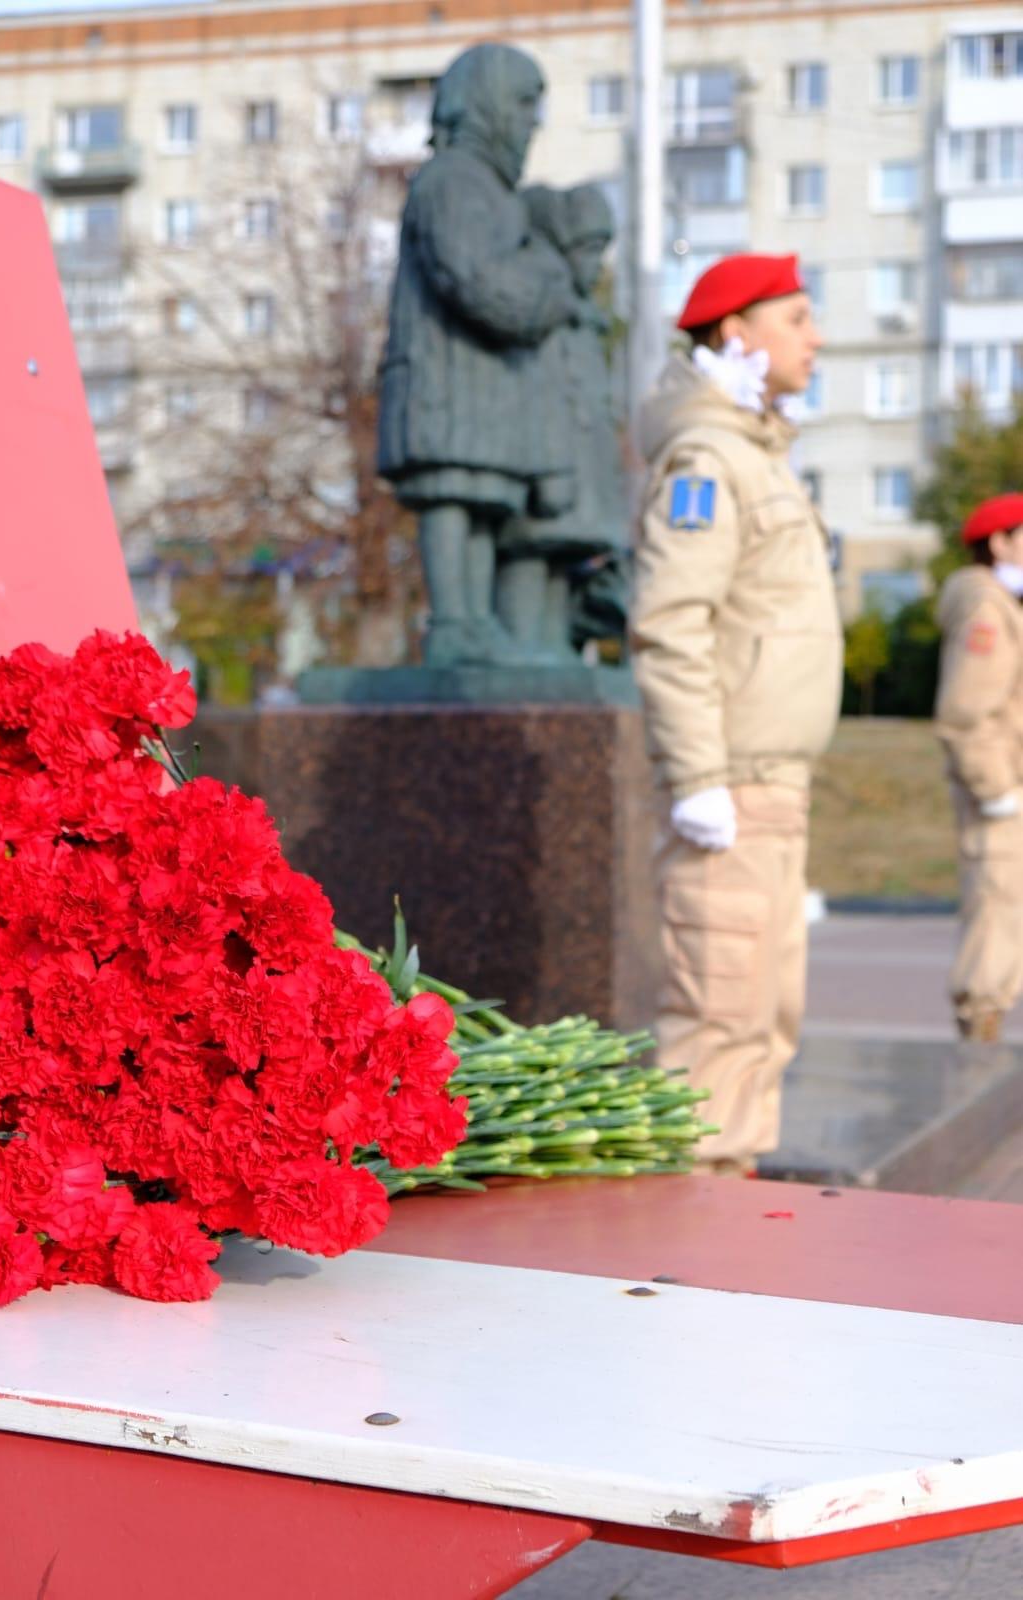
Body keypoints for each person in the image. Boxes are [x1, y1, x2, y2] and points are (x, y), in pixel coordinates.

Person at [631, 253, 842, 1176]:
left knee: (763, 1022)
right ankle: (691, 1268)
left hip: (773, 786)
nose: (816, 337)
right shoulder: (707, 461)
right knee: (716, 1026)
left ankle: (733, 1228)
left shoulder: (755, 453)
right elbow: (671, 623)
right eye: (797, 318)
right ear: (735, 335)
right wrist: (698, 778)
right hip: (734, 789)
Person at [377, 43, 582, 667]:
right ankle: (454, 621)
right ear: (488, 102)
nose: (531, 122)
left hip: (482, 383)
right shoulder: (453, 179)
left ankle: (473, 621)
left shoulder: (491, 189)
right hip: (448, 378)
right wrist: (546, 297)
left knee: (480, 499)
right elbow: (472, 279)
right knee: (451, 496)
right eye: (523, 103)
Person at [495, 182, 630, 662]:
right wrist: (549, 468)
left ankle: (548, 649)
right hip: (545, 468)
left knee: (557, 559)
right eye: (590, 251)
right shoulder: (544, 310)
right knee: (529, 556)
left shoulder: (581, 318)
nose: (596, 266)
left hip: (576, 471)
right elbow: (540, 394)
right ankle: (520, 650)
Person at [935, 493, 1023, 1044]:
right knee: (993, 924)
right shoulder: (986, 608)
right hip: (1000, 796)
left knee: (1007, 924)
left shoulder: (1005, 604)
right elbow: (965, 712)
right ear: (998, 542)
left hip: (1010, 788)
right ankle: (978, 1058)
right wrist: (998, 789)